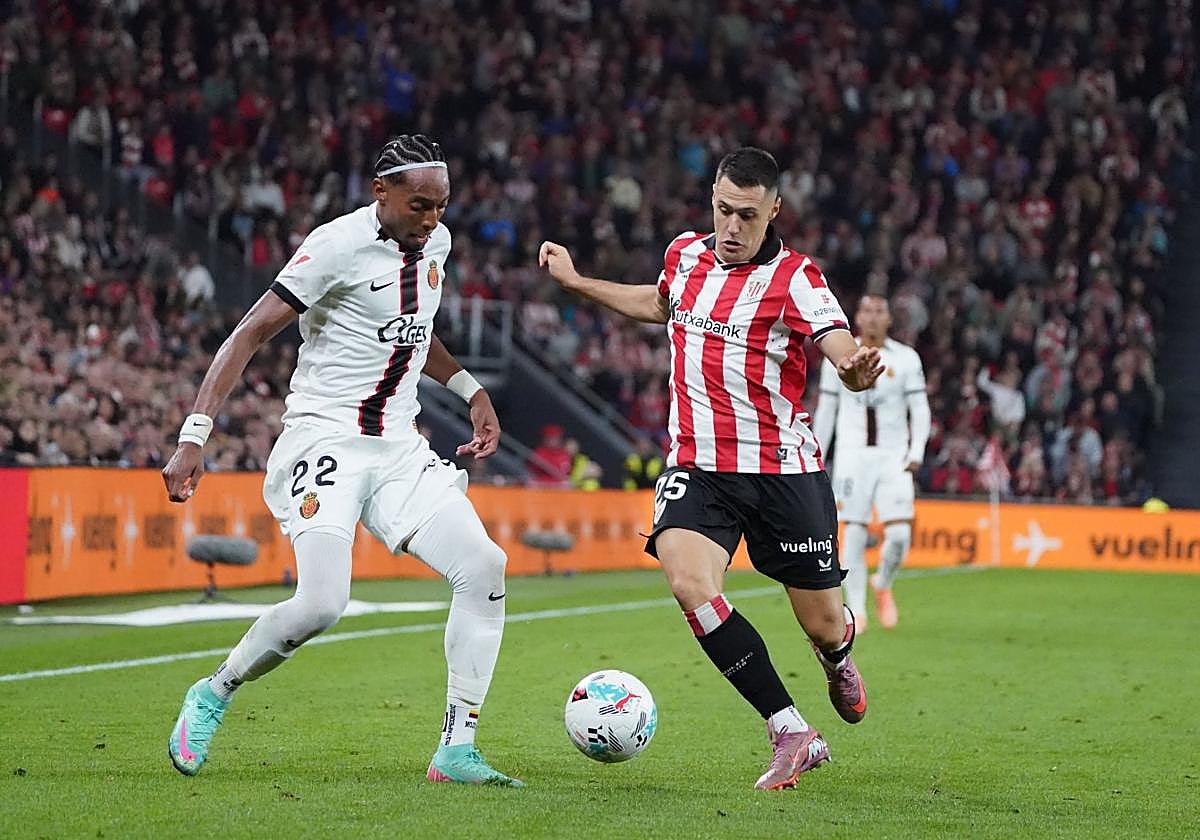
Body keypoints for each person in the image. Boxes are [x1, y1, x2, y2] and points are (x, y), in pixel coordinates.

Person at [161, 135, 522, 787]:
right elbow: (248, 334)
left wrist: (472, 391)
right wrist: (195, 433)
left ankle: (456, 749)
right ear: (381, 191)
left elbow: (417, 330)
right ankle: (214, 691)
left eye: (442, 206)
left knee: (483, 566)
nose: (432, 219)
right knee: (323, 603)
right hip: (325, 438)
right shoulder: (334, 247)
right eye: (419, 205)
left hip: (399, 446)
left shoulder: (435, 244)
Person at [540, 147, 883, 790]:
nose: (731, 226)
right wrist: (579, 283)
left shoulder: (796, 278)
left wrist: (853, 368)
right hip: (698, 466)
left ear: (774, 210)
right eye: (723, 210)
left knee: (823, 623)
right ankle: (790, 730)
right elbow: (659, 303)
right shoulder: (684, 255)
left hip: (782, 473)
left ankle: (837, 655)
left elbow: (837, 343)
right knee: (690, 582)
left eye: (747, 215)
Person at [813, 295, 931, 631]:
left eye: (880, 311)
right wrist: (817, 453)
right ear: (858, 317)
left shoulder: (906, 358)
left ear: (889, 319)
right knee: (853, 531)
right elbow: (827, 411)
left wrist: (916, 451)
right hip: (853, 455)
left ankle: (883, 582)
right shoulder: (839, 358)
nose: (873, 317)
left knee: (900, 536)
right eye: (867, 310)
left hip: (894, 456)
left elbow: (919, 409)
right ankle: (857, 608)